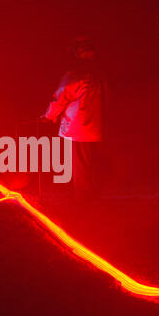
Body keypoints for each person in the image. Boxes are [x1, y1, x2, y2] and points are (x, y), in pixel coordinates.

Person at [42, 36, 104, 203]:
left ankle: (83, 203)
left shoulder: (74, 75)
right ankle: (90, 198)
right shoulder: (97, 74)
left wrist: (49, 116)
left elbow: (61, 97)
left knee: (80, 168)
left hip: (77, 130)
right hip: (93, 128)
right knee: (89, 165)